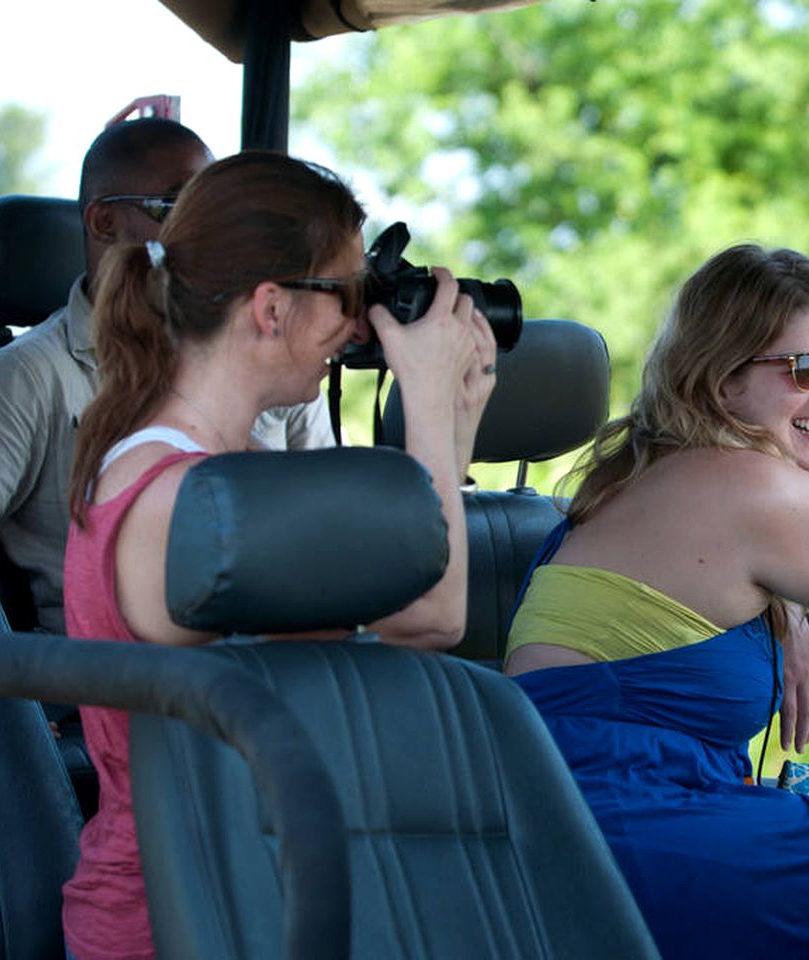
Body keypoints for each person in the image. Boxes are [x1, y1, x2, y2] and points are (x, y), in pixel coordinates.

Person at [60, 150, 496, 960]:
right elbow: (430, 619)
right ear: (270, 308)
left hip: (256, 888)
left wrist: (455, 419)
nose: (357, 327)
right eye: (347, 294)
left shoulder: (229, 476)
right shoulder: (187, 502)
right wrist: (426, 408)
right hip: (181, 920)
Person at [503, 243, 809, 959]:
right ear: (721, 381)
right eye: (805, 370)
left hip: (599, 810)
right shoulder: (746, 486)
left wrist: (791, 613)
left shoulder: (648, 482)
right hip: (622, 825)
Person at [0, 117, 336, 636]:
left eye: (216, 213)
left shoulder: (273, 365)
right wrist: (13, 706)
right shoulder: (24, 380)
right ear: (104, 223)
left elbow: (333, 537)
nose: (209, 234)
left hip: (280, 666)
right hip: (108, 687)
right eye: (181, 208)